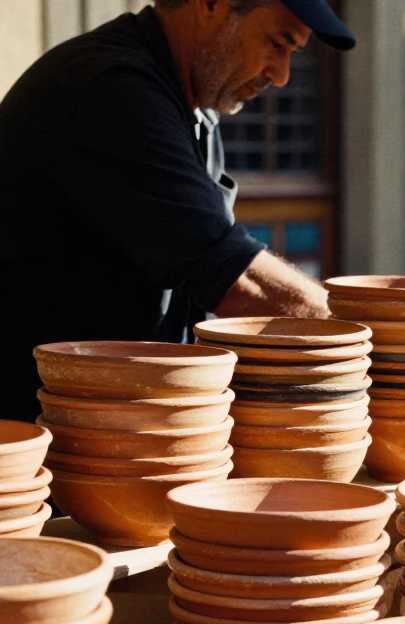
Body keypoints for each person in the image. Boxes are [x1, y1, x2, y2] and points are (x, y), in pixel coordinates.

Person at [0, 0, 355, 424]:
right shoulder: (111, 86)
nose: (281, 76)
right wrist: (382, 340)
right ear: (209, 6)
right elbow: (231, 276)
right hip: (37, 442)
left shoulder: (194, 108)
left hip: (115, 429)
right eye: (277, 43)